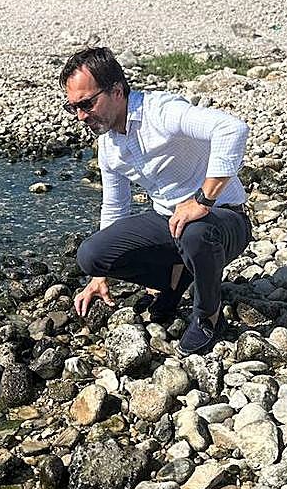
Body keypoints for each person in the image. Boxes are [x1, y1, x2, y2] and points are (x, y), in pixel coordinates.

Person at [63, 47, 252, 355]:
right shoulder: (109, 145)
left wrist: (203, 200)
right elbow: (115, 207)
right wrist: (100, 276)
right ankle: (175, 277)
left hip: (225, 221)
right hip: (170, 222)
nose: (82, 116)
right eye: (73, 108)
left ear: (117, 91)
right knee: (91, 254)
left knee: (196, 231)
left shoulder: (161, 112)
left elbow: (232, 128)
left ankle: (209, 317)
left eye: (87, 103)